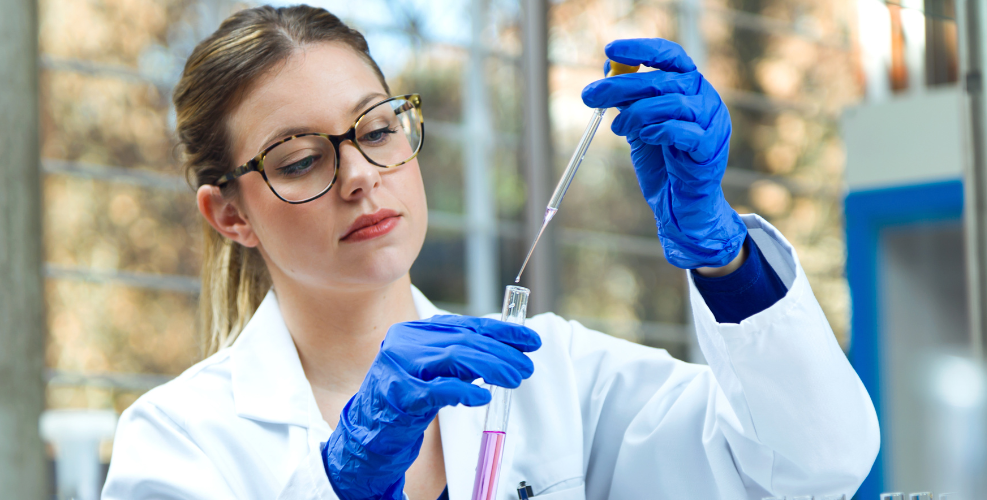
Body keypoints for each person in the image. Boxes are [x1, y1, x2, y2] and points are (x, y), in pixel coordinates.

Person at [101, 5, 879, 500]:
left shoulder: (557, 378)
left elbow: (809, 469)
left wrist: (722, 255)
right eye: (301, 160)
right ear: (229, 213)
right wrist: (335, 487)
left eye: (376, 129)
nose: (362, 177)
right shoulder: (180, 440)